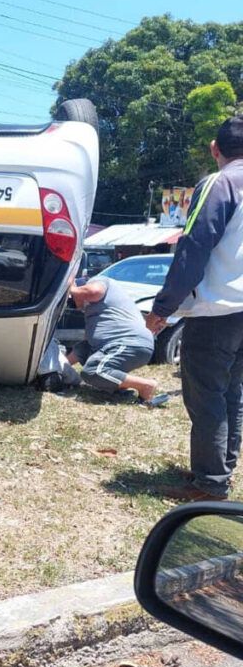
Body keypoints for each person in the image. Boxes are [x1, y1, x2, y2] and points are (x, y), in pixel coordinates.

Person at [147, 115, 243, 502]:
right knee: (233, 395)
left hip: (217, 310)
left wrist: (163, 308)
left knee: (206, 397)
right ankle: (223, 470)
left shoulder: (220, 183)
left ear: (214, 149)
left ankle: (209, 485)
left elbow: (194, 247)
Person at [66, 276, 165, 405]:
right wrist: (63, 366)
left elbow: (94, 291)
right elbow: (85, 345)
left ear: (82, 288)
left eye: (71, 298)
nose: (71, 303)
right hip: (118, 344)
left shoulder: (98, 282)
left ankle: (145, 385)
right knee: (85, 346)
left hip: (129, 342)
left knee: (93, 370)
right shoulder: (93, 309)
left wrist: (71, 288)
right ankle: (60, 371)